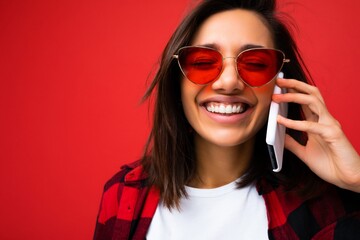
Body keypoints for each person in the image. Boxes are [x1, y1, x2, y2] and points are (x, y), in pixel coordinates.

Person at [94, 0, 360, 239]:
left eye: (256, 64)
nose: (229, 82)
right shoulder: (123, 195)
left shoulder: (319, 205)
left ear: (281, 84)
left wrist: (356, 179)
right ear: (177, 80)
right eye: (202, 62)